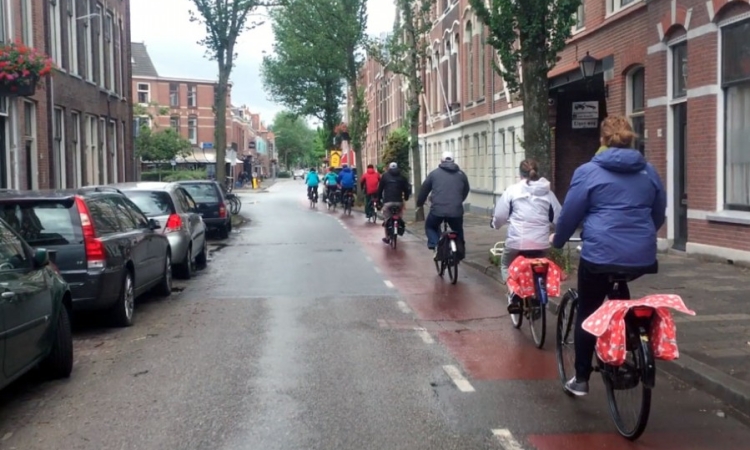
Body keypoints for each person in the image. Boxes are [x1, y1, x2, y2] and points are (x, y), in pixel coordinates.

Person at [550, 115, 666, 397]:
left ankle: (580, 379)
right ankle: (628, 338)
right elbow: (658, 213)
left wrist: (559, 240)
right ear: (630, 139)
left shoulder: (588, 171)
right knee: (618, 289)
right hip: (642, 256)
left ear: (602, 139)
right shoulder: (648, 170)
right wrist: (642, 236)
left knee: (588, 310)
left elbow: (570, 214)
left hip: (600, 254)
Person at [491, 159, 562, 314]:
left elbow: (500, 215)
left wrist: (495, 225)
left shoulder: (512, 191)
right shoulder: (548, 193)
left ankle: (515, 294)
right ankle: (538, 296)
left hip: (517, 241)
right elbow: (559, 217)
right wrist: (557, 231)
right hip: (541, 243)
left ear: (520, 174)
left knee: (505, 265)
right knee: (541, 265)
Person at [416, 151, 470, 255]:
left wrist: (420, 203)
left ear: (441, 161)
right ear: (454, 161)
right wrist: (459, 201)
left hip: (438, 211)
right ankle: (460, 251)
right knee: (458, 229)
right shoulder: (461, 174)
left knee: (430, 226)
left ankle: (435, 245)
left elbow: (424, 190)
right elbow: (466, 190)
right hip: (456, 210)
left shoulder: (434, 174)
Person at [377, 162, 411, 244]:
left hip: (388, 201)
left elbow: (380, 188)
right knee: (399, 214)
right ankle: (399, 224)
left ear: (389, 168)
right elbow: (406, 189)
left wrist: (378, 198)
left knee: (386, 218)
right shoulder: (402, 177)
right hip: (399, 201)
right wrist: (406, 198)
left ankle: (387, 237)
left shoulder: (385, 176)